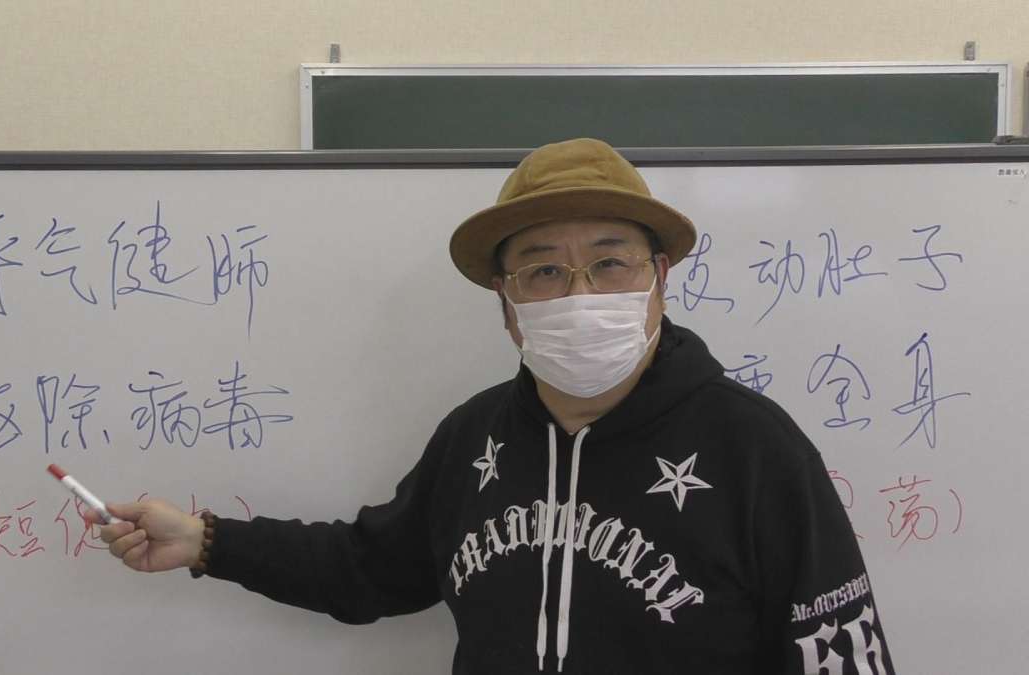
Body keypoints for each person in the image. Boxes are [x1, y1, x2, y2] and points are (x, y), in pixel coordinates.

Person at [87, 138, 896, 674]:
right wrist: (207, 542)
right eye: (543, 270)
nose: (579, 291)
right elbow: (368, 569)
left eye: (610, 262)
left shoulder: (754, 447)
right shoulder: (474, 438)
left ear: (659, 278)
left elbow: (840, 653)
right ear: (506, 301)